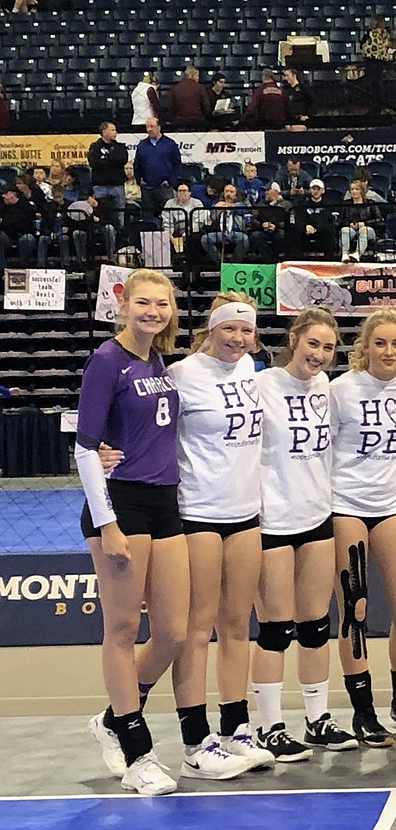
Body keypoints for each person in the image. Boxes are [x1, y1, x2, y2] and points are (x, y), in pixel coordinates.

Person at [79, 270, 189, 795]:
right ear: (123, 305)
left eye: (161, 304)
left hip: (165, 503)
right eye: (143, 303)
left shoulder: (157, 359)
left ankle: (112, 718)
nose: (153, 311)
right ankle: (137, 749)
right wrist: (108, 522)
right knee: (122, 630)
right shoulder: (107, 360)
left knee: (173, 631)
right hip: (121, 505)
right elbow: (84, 446)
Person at [164, 293, 274, 780]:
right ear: (210, 330)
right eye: (229, 329)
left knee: (237, 623)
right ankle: (194, 740)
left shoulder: (254, 371)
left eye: (246, 331)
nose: (238, 339)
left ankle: (236, 728)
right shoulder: (183, 375)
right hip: (199, 514)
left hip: (246, 514)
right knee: (196, 627)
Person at [253, 307, 357, 760]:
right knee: (275, 628)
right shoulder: (260, 386)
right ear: (294, 339)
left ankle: (317, 719)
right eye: (312, 343)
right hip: (270, 520)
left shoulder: (328, 390)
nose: (319, 354)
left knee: (316, 626)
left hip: (317, 517)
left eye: (328, 347)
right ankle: (268, 726)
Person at [330, 310, 396, 745]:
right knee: (355, 610)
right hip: (344, 505)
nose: (388, 352)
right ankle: (363, 711)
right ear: (364, 346)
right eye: (380, 343)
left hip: (390, 505)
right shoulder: (340, 390)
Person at [134, 117, 182, 219]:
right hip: (147, 188)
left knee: (168, 217)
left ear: (159, 127)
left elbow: (177, 164)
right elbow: (137, 165)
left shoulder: (170, 144)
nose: (149, 129)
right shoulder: (142, 145)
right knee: (148, 217)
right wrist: (139, 180)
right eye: (147, 127)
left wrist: (170, 181)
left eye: (152, 126)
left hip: (165, 188)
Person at [87, 121, 129, 229]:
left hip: (117, 186)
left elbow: (122, 159)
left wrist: (105, 159)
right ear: (104, 131)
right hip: (100, 187)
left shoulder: (120, 147)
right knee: (101, 214)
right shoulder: (95, 147)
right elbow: (94, 163)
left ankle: (120, 235)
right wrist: (112, 160)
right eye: (113, 130)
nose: (116, 132)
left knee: (120, 214)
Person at [201, 182, 249, 264]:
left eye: (231, 192)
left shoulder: (240, 204)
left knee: (244, 239)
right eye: (227, 191)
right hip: (219, 232)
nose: (229, 194)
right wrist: (219, 210)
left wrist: (228, 205)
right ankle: (221, 262)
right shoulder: (216, 205)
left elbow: (242, 210)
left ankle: (234, 263)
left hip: (235, 232)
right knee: (205, 239)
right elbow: (212, 218)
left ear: (236, 194)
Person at [290, 179, 336, 259]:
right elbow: (299, 219)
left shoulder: (329, 205)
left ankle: (329, 259)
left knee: (330, 230)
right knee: (295, 230)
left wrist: (316, 228)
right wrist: (305, 226)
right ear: (310, 190)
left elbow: (329, 221)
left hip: (322, 231)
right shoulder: (302, 205)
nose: (316, 191)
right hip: (306, 232)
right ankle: (297, 259)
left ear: (323, 191)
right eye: (314, 189)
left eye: (318, 189)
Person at [249, 183, 292, 262]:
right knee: (255, 236)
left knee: (282, 235)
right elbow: (253, 219)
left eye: (268, 190)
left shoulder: (286, 204)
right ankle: (271, 260)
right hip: (263, 230)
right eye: (265, 190)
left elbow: (289, 220)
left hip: (279, 230)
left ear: (276, 191)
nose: (266, 192)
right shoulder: (261, 204)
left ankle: (271, 259)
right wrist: (261, 225)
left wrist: (276, 226)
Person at [161, 181, 204, 259]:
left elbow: (198, 222)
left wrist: (186, 233)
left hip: (191, 231)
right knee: (163, 238)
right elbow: (167, 219)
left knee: (194, 239)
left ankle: (193, 265)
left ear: (189, 192)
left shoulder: (197, 203)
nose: (182, 193)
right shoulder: (170, 203)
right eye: (179, 191)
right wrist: (169, 233)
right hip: (175, 231)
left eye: (184, 191)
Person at [339, 180, 379, 262]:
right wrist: (349, 224)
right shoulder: (346, 204)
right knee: (344, 230)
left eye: (357, 189)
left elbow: (379, 220)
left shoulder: (370, 203)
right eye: (352, 189)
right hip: (352, 230)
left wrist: (365, 223)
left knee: (364, 230)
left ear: (362, 191)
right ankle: (345, 254)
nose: (354, 191)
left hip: (369, 230)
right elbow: (340, 220)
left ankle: (357, 254)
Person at [0, 188, 37, 270]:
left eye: (5, 194)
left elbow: (24, 223)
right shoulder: (3, 207)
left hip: (24, 234)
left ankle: (24, 268)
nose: (3, 196)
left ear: (12, 194)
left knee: (28, 239)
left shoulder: (26, 205)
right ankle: (2, 269)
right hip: (8, 237)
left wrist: (5, 221)